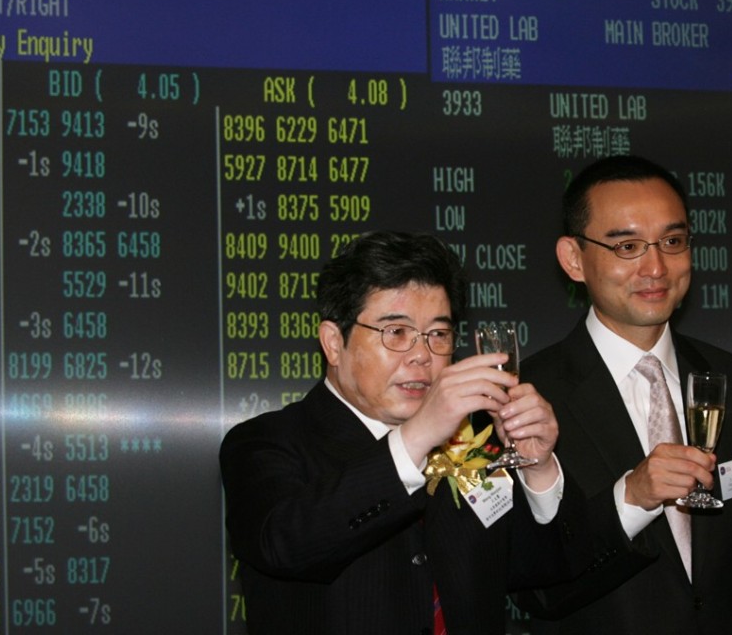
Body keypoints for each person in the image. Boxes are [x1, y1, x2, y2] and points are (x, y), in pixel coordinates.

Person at [220, 231, 584, 635]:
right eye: (396, 332)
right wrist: (415, 439)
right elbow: (284, 545)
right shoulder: (264, 442)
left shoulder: (475, 438)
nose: (422, 355)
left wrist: (539, 469)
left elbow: (537, 571)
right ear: (333, 342)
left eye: (439, 335)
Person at [513, 155, 732, 633]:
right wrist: (633, 496)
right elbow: (535, 590)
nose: (656, 266)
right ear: (574, 259)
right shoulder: (525, 397)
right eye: (627, 246)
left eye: (672, 241)